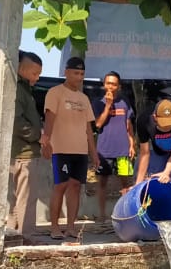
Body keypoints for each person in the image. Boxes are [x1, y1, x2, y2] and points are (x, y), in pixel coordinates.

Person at [42, 56, 98, 240]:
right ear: (66, 72)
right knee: (61, 185)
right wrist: (46, 141)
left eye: (82, 73)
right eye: (75, 73)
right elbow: (49, 119)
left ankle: (71, 227)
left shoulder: (84, 98)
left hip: (80, 151)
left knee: (75, 187)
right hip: (61, 149)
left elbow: (89, 129)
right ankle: (55, 227)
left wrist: (94, 153)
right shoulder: (55, 92)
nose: (79, 77)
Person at [136, 99, 171, 233]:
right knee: (152, 183)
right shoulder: (144, 120)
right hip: (158, 150)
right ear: (155, 117)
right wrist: (138, 184)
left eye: (170, 125)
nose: (167, 128)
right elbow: (144, 154)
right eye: (163, 125)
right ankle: (154, 222)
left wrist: (166, 172)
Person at [92, 71, 136, 228]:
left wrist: (132, 144)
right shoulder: (98, 102)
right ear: (104, 84)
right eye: (108, 83)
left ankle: (126, 214)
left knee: (125, 183)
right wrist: (108, 105)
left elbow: (128, 126)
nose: (111, 86)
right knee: (102, 183)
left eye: (114, 84)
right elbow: (97, 124)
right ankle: (102, 216)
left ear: (119, 86)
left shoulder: (125, 102)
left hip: (123, 151)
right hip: (104, 151)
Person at [8, 51, 44, 241]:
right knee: (26, 198)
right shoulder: (16, 90)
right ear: (22, 69)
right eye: (34, 73)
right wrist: (38, 136)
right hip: (24, 152)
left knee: (17, 198)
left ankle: (14, 233)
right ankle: (26, 236)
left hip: (23, 150)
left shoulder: (24, 90)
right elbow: (16, 122)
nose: (37, 78)